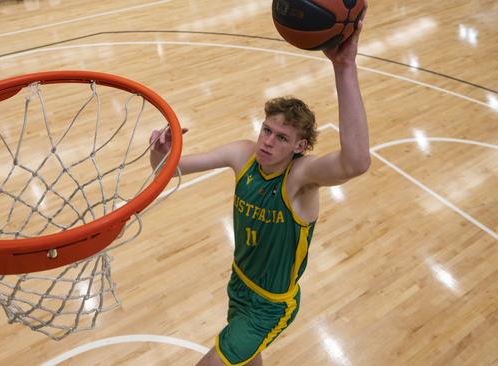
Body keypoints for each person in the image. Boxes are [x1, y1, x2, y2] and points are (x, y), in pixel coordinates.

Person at [149, 16, 370, 366]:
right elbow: (167, 170)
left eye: (281, 138)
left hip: (270, 304)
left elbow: (355, 162)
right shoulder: (243, 154)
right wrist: (160, 151)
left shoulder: (301, 178)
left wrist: (344, 67)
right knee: (248, 359)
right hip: (239, 284)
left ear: (300, 146)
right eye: (266, 130)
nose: (267, 142)